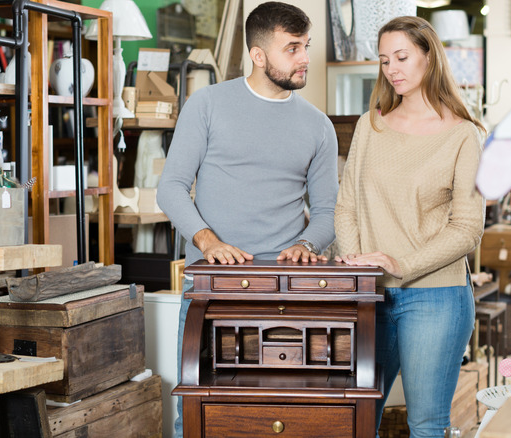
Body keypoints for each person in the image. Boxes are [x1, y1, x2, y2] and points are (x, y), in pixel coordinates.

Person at [156, 2, 339, 436]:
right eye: (292, 48)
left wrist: (309, 244)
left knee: (284, 413)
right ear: (258, 55)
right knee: (201, 411)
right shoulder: (207, 105)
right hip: (211, 285)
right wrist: (207, 241)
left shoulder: (319, 126)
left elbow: (329, 212)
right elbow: (171, 187)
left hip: (288, 288)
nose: (304, 58)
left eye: (306, 46)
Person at [334, 16, 485, 438]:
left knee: (425, 426)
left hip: (436, 298)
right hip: (370, 295)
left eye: (401, 57)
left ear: (429, 56)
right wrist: (357, 266)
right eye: (384, 61)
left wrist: (399, 264)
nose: (392, 69)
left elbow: (468, 228)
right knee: (356, 422)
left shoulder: (463, 136)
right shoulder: (371, 125)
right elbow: (346, 206)